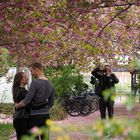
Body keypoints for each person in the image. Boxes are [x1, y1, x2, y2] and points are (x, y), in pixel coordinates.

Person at [15, 62, 55, 139]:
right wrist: (44, 110)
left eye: (32, 71)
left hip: (34, 118)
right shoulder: (51, 84)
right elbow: (51, 103)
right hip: (46, 117)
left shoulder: (35, 83)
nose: (31, 74)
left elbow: (26, 101)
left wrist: (17, 106)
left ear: (36, 69)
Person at [12, 72, 29, 140]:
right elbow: (28, 103)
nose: (27, 78)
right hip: (22, 120)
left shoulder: (17, 91)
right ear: (20, 80)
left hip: (19, 119)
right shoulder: (22, 92)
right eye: (25, 77)